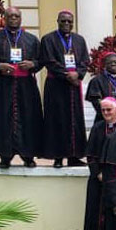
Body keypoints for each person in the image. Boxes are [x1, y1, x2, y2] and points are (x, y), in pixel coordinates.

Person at [0, 6, 43, 169]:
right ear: (4, 18)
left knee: (29, 118)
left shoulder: (31, 39)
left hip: (26, 87)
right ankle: (5, 155)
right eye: (10, 16)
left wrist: (32, 64)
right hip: (3, 85)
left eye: (16, 16)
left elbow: (41, 61)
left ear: (21, 19)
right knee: (3, 118)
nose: (13, 19)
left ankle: (28, 155)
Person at [40, 10, 90, 168]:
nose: (67, 24)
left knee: (75, 121)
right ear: (58, 21)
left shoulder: (79, 40)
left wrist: (78, 74)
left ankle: (74, 156)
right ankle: (58, 157)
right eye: (63, 21)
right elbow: (49, 60)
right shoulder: (48, 39)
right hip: (56, 86)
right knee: (57, 120)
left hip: (74, 87)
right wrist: (67, 75)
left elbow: (85, 61)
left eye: (69, 21)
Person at [84, 98, 116, 230]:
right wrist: (97, 172)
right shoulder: (98, 128)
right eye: (103, 110)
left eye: (109, 110)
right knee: (96, 208)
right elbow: (90, 154)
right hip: (99, 176)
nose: (106, 113)